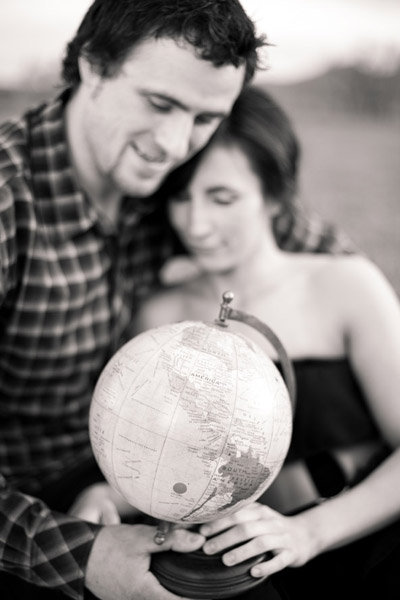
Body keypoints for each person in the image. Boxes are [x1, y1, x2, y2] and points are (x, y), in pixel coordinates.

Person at [0, 2, 267, 599]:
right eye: (160, 103)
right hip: (26, 513)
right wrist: (79, 554)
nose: (175, 144)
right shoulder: (7, 200)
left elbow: (282, 231)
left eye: (205, 117)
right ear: (93, 66)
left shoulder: (178, 186)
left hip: (148, 477)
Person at [131, 86, 400, 599]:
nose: (196, 224)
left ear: (274, 196)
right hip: (239, 567)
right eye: (181, 197)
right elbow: (151, 455)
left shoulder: (345, 284)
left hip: (371, 538)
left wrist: (309, 532)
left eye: (222, 197)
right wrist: (112, 491)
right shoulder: (158, 316)